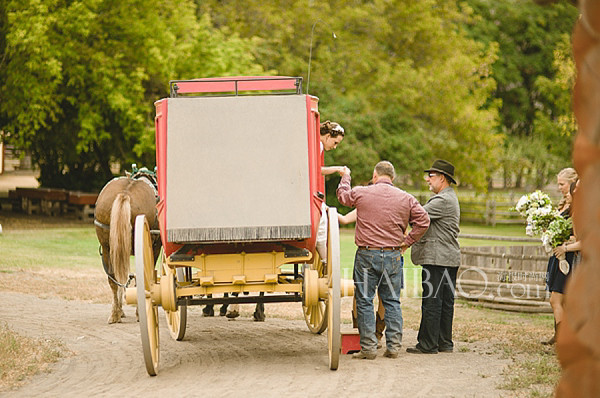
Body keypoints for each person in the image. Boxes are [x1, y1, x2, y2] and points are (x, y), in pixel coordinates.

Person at [337, 161, 430, 359]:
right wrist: (407, 242)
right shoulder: (406, 198)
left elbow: (343, 197)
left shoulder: (362, 192)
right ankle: (394, 346)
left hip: (367, 254)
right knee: (392, 301)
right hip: (393, 254)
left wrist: (346, 177)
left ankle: (369, 348)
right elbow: (424, 221)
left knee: (364, 300)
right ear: (393, 178)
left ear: (375, 175)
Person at [407, 159, 460, 355]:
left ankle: (428, 344)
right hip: (449, 257)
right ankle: (444, 342)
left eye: (431, 176)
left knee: (432, 301)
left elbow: (416, 215)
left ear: (443, 178)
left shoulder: (441, 201)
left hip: (438, 258)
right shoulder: (450, 197)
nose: (427, 179)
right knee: (445, 302)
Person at [339, 208, 386, 348]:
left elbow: (344, 219)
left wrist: (327, 209)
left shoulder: (364, 203)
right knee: (385, 295)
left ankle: (361, 332)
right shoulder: (394, 201)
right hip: (390, 253)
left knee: (360, 293)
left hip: (367, 252)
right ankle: (378, 334)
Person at [543, 171, 579, 345]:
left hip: (569, 256)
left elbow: (578, 237)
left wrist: (563, 242)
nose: (560, 188)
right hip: (557, 254)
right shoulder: (564, 204)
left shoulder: (576, 207)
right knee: (557, 298)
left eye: (562, 184)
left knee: (556, 298)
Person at [316, 121, 347, 262]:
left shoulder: (317, 144)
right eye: (335, 143)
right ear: (327, 136)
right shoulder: (319, 145)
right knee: (322, 222)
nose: (334, 147)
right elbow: (317, 170)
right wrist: (338, 168)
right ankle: (325, 258)